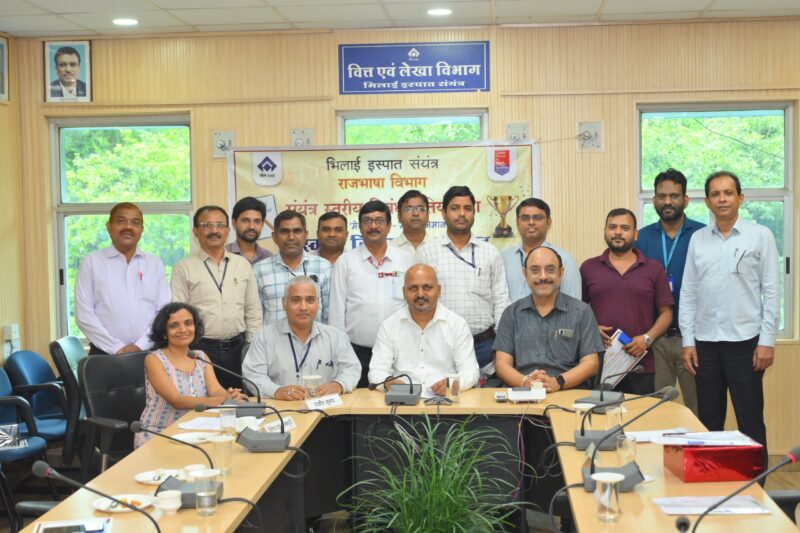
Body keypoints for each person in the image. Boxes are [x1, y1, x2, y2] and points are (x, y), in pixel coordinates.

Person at [680, 171, 779, 461]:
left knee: (750, 419)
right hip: (705, 344)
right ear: (707, 202)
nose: (722, 199)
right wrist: (688, 341)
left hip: (746, 344)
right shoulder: (698, 239)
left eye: (728, 193)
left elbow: (772, 291)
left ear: (740, 198)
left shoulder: (760, 235)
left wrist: (767, 341)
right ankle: (712, 479)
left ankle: (757, 481)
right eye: (715, 194)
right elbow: (689, 292)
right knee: (709, 420)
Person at [580, 208, 673, 394]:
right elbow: (577, 313)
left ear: (635, 234)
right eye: (612, 227)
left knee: (639, 412)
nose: (618, 232)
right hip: (599, 363)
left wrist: (647, 339)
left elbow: (666, 313)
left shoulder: (654, 269)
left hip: (640, 364)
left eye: (624, 228)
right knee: (599, 411)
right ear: (605, 231)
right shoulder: (588, 267)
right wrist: (592, 329)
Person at [417, 186, 509, 374]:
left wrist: (501, 345)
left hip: (484, 346)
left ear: (474, 213)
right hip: (441, 345)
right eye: (455, 208)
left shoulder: (490, 252)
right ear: (443, 213)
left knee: (486, 393)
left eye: (467, 208)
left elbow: (501, 300)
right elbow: (417, 301)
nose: (461, 214)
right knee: (442, 392)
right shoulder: (426, 252)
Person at [635, 169, 705, 415]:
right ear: (654, 199)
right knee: (656, 410)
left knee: (699, 409)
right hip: (655, 341)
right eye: (662, 196)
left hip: (693, 339)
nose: (667, 201)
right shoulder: (641, 239)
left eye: (674, 196)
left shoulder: (702, 235)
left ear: (685, 200)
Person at [171, 205, 262, 389]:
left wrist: (252, 348)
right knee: (204, 401)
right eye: (206, 225)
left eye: (220, 225)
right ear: (195, 231)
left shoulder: (242, 264)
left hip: (238, 349)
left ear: (228, 230)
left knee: (238, 400)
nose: (214, 230)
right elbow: (178, 315)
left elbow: (252, 310)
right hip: (199, 349)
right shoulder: (183, 267)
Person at [135, 303, 246, 448]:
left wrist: (230, 396)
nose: (183, 329)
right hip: (159, 433)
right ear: (164, 332)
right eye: (174, 325)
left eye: (188, 323)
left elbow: (215, 390)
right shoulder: (154, 359)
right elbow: (177, 401)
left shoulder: (200, 356)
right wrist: (223, 401)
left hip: (197, 431)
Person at [329, 200, 414, 387]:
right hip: (357, 354)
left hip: (399, 352)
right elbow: (336, 312)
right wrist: (342, 353)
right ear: (360, 226)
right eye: (367, 221)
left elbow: (412, 304)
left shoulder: (405, 260)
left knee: (398, 400)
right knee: (359, 403)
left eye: (379, 221)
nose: (373, 226)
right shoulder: (345, 262)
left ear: (389, 226)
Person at [495, 247, 602, 392]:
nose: (543, 276)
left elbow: (591, 364)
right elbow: (502, 365)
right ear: (525, 274)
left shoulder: (582, 312)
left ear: (561, 272)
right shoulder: (511, 313)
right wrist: (526, 382)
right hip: (523, 394)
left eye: (550, 269)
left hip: (568, 392)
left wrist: (557, 382)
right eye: (535, 270)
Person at [242, 276, 361, 400]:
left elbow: (352, 369)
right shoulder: (264, 337)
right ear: (284, 303)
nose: (303, 307)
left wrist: (339, 384)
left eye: (310, 300)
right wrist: (276, 391)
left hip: (326, 408)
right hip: (281, 406)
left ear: (318, 303)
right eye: (296, 300)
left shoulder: (336, 337)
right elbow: (253, 375)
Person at [75, 202, 171, 355]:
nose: (128, 227)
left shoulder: (154, 263)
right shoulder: (92, 262)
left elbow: (164, 311)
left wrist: (140, 345)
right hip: (104, 354)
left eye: (135, 222)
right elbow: (84, 315)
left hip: (149, 353)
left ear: (141, 229)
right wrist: (116, 348)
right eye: (121, 221)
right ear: (109, 226)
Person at [369, 264, 479, 394]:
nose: (420, 294)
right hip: (402, 399)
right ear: (404, 292)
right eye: (413, 288)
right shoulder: (389, 326)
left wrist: (450, 384)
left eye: (427, 287)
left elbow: (470, 372)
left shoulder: (457, 325)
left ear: (439, 290)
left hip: (445, 400)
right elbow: (376, 371)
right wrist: (388, 382)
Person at [254, 210, 331, 325]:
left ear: (305, 235)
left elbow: (329, 314)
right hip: (272, 336)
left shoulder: (323, 267)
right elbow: (255, 317)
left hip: (315, 336)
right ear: (274, 237)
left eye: (297, 231)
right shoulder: (259, 270)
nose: (291, 237)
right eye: (285, 232)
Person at [502, 198, 581, 302]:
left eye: (537, 217)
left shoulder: (565, 260)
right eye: (525, 218)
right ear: (517, 222)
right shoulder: (504, 258)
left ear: (549, 222)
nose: (531, 222)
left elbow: (573, 304)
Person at [226, 196, 272, 266]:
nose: (251, 227)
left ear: (262, 225)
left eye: (257, 221)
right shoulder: (223, 254)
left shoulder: (268, 257)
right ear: (234, 223)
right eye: (245, 221)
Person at [392, 190, 430, 258]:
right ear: (399, 217)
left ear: (428, 216)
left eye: (421, 209)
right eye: (408, 209)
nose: (415, 213)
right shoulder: (390, 248)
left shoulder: (439, 248)